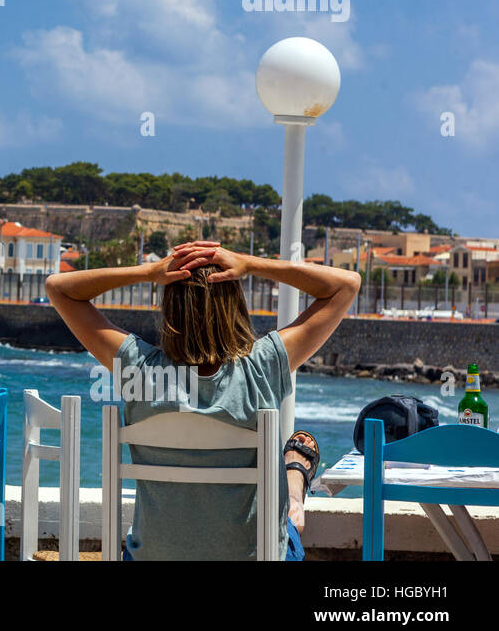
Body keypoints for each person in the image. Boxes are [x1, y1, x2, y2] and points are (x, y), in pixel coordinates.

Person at [44, 240, 359, 560]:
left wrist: (148, 272)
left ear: (170, 308)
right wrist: (250, 264)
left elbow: (58, 288)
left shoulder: (137, 368)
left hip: (153, 557)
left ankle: (294, 485)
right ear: (235, 303)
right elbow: (346, 285)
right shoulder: (263, 366)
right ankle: (296, 487)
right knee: (288, 524)